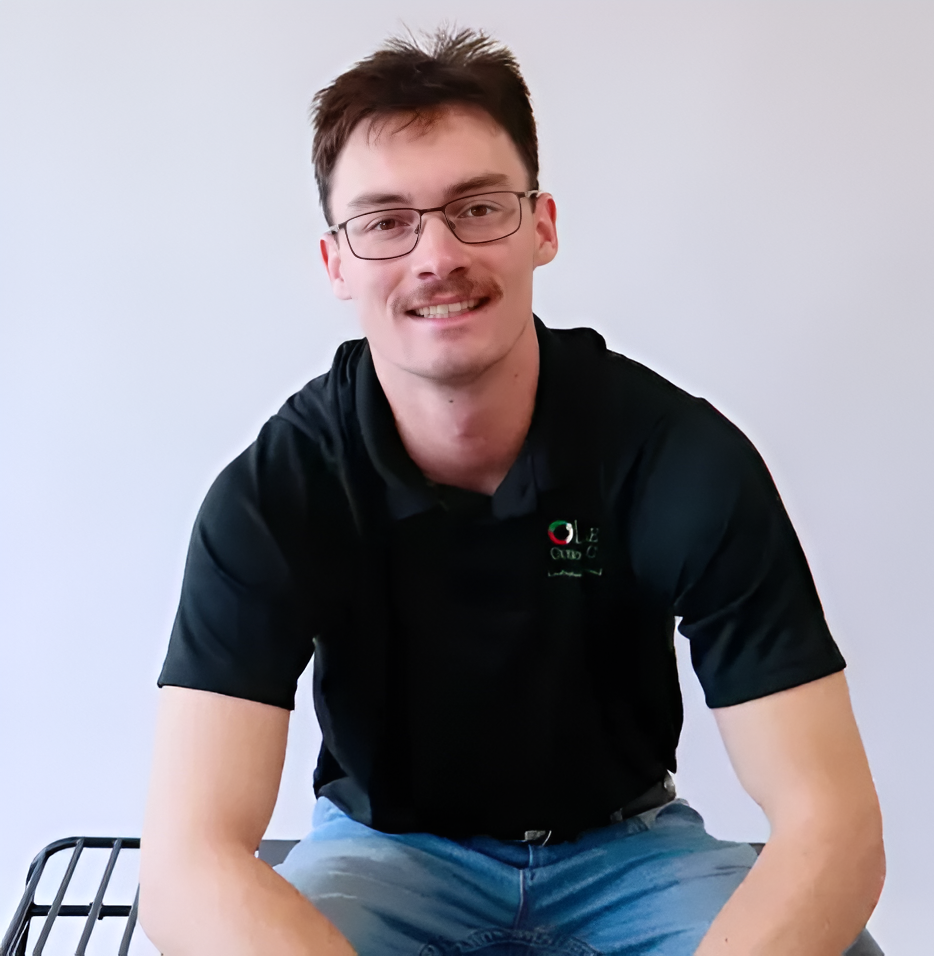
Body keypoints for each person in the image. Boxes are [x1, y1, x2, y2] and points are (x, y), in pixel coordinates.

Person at [139, 27, 884, 956]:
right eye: (385, 221)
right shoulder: (276, 493)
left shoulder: (676, 456)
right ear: (337, 263)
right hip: (384, 852)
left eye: (479, 208)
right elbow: (186, 865)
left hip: (630, 852)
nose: (436, 255)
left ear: (543, 227)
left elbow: (833, 826)